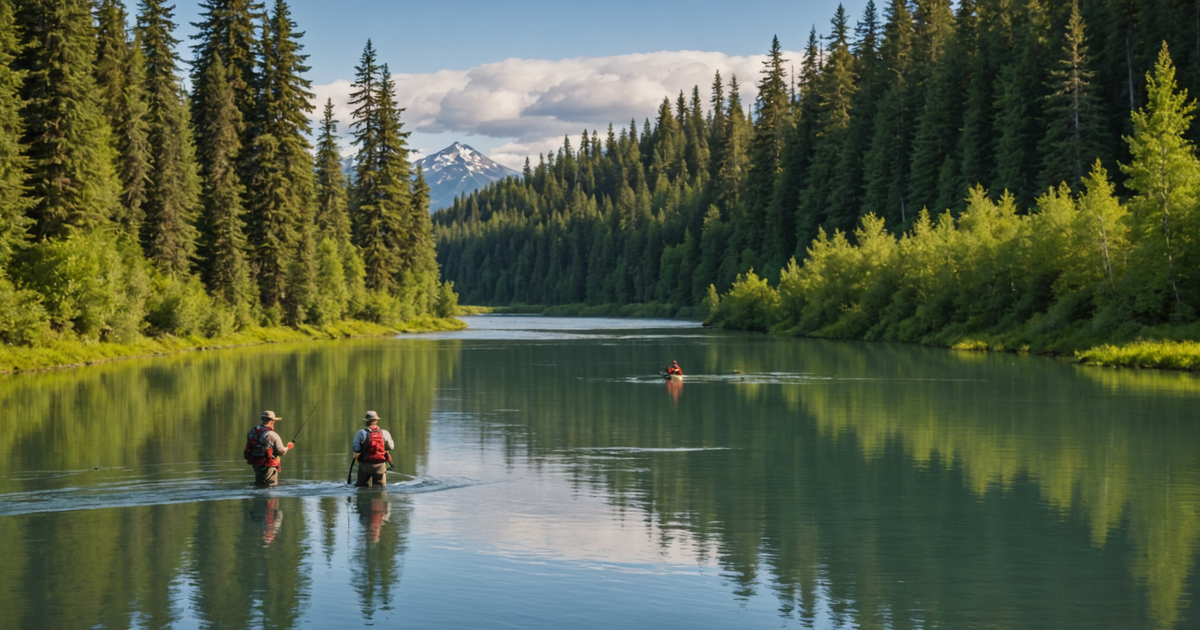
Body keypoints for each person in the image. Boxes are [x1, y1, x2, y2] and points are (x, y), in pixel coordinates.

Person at [244, 410, 294, 487]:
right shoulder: (272, 435)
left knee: (259, 486)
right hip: (269, 466)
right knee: (271, 488)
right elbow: (281, 451)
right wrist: (288, 447)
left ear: (262, 419)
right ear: (273, 421)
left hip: (256, 465)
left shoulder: (252, 432)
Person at [352, 411, 395, 488]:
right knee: (380, 489)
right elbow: (391, 447)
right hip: (380, 466)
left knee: (361, 487)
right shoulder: (384, 433)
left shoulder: (360, 433)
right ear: (376, 421)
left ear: (366, 421)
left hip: (365, 466)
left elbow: (356, 449)